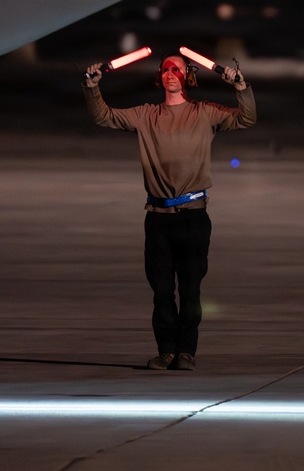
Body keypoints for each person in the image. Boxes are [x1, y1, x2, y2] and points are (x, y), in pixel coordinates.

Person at [83, 52, 257, 370]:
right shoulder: (146, 115)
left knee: (190, 289)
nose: (170, 73)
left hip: (193, 216)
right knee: (161, 291)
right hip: (158, 217)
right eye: (165, 69)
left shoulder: (205, 112)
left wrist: (241, 88)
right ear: (159, 77)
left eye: (176, 69)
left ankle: (186, 351)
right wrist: (92, 87)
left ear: (188, 76)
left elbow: (246, 119)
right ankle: (166, 350)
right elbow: (103, 117)